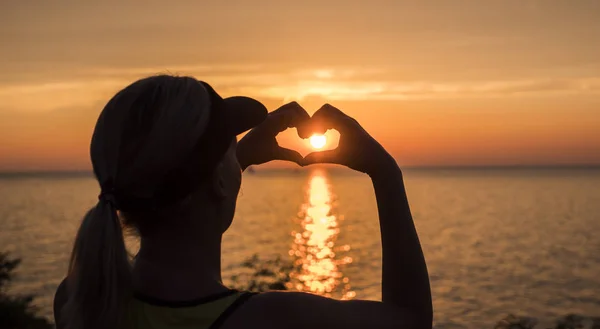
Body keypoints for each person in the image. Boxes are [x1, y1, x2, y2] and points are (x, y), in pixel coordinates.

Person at [53, 75, 432, 329]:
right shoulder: (273, 319)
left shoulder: (80, 300)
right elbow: (410, 319)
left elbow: (181, 184)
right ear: (220, 181)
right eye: (229, 148)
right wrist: (385, 171)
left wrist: (233, 159)